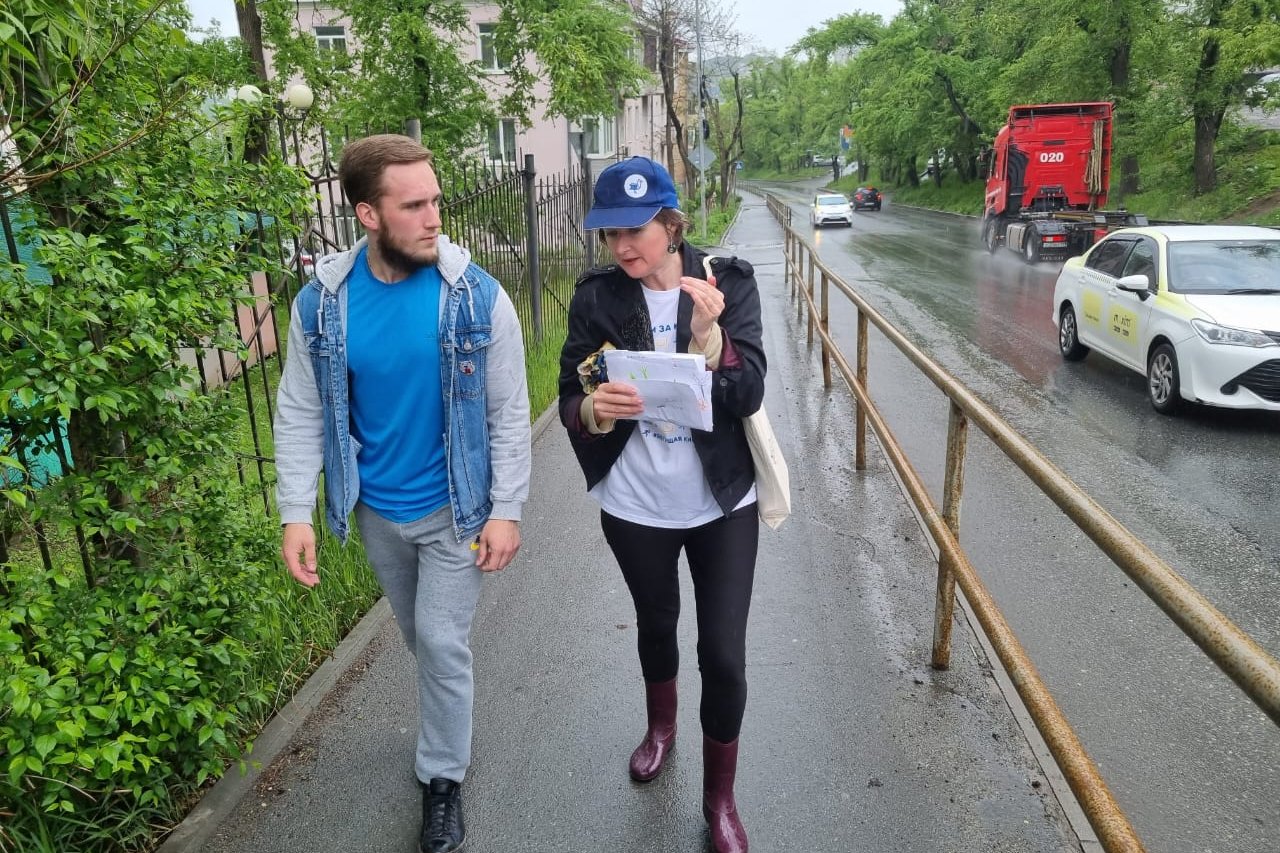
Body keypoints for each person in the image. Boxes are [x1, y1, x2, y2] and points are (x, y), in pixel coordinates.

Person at [273, 133, 530, 853]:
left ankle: (442, 779)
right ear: (368, 214)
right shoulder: (322, 305)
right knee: (423, 639)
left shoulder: (476, 296)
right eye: (413, 205)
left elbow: (509, 411)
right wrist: (296, 512)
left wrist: (507, 509)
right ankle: (446, 715)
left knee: (442, 642)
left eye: (435, 201)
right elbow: (300, 409)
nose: (433, 218)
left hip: (457, 508)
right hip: (377, 511)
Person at [557, 156, 764, 853]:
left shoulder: (726, 284)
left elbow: (749, 392)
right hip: (635, 502)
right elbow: (569, 395)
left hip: (721, 501)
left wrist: (710, 338)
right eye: (609, 233)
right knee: (656, 621)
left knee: (724, 654)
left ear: (671, 225)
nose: (621, 246)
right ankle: (661, 727)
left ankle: (720, 799)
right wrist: (593, 409)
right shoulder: (597, 299)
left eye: (635, 230)